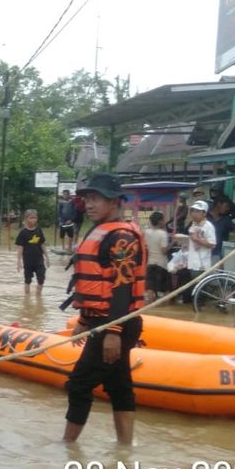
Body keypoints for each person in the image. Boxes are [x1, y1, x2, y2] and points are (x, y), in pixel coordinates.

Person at [62, 174, 146, 445]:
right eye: (86, 199)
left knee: (79, 383)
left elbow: (122, 286)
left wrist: (113, 331)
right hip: (102, 321)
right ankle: (125, 447)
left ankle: (68, 446)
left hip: (116, 323)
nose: (88, 204)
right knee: (118, 385)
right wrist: (85, 320)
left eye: (95, 198)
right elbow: (99, 285)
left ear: (113, 201)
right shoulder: (101, 229)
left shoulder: (121, 237)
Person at [14, 209, 50, 296]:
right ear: (26, 219)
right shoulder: (23, 233)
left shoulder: (39, 230)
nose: (33, 220)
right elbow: (20, 248)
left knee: (41, 279)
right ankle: (27, 297)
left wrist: (47, 257)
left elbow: (42, 244)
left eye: (35, 218)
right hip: (28, 261)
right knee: (27, 280)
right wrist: (19, 261)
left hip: (39, 260)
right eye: (31, 218)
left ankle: (38, 296)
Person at [185, 200, 216, 283]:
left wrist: (197, 239)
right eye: (193, 211)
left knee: (200, 293)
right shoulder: (193, 224)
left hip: (201, 266)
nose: (194, 213)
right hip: (191, 264)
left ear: (204, 213)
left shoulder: (208, 226)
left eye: (197, 211)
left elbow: (212, 245)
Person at [143, 211, 170, 302]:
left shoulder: (146, 232)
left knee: (150, 288)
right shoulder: (162, 234)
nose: (164, 222)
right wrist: (173, 243)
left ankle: (151, 310)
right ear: (160, 221)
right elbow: (164, 251)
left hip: (149, 263)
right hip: (161, 264)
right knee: (166, 289)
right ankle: (166, 311)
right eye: (163, 220)